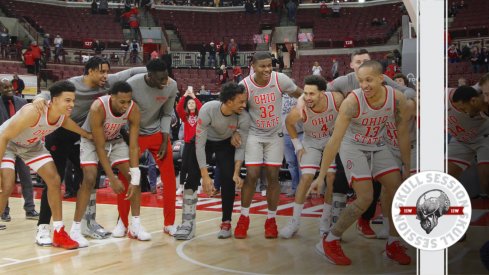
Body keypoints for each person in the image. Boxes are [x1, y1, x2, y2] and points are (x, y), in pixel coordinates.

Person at [34, 56, 146, 246]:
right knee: (54, 180)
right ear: (90, 71)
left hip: (83, 134)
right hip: (59, 133)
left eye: (107, 71)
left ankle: (87, 223)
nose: (105, 75)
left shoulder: (109, 84)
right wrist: (38, 98)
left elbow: (133, 71)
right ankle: (43, 227)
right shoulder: (73, 84)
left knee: (89, 178)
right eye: (101, 71)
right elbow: (48, 94)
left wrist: (160, 68)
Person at [314, 60, 411, 265]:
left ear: (381, 79)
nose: (364, 85)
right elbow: (335, 141)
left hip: (377, 144)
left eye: (369, 80)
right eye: (360, 81)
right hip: (352, 146)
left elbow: (403, 135)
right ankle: (330, 239)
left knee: (396, 188)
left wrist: (407, 166)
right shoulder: (352, 102)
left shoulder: (397, 98)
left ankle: (393, 243)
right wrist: (321, 175)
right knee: (365, 197)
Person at [0, 80, 92, 250]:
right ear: (54, 100)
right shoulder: (32, 112)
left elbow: (65, 123)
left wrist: (85, 133)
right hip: (7, 144)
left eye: (73, 100)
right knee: (6, 186)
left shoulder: (62, 115)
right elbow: (4, 136)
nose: (72, 104)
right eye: (67, 100)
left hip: (31, 146)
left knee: (55, 180)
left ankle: (58, 231)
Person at [234, 52, 303, 239]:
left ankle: (271, 219)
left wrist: (311, 102)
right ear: (253, 66)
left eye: (269, 65)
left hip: (275, 135)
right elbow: (235, 109)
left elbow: (300, 93)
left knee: (273, 177)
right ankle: (244, 218)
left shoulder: (280, 79)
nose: (267, 69)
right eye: (262, 66)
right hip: (254, 134)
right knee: (252, 175)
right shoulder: (245, 85)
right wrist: (234, 131)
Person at [72, 81, 149, 247]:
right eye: (122, 102)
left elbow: (134, 145)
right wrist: (112, 178)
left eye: (128, 101)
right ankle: (75, 229)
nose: (125, 105)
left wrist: (135, 173)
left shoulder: (133, 109)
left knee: (134, 178)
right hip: (92, 141)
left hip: (115, 141)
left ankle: (135, 225)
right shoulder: (98, 107)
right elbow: (99, 146)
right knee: (90, 178)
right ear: (111, 97)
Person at [177, 82, 249, 240]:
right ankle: (187, 223)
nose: (245, 105)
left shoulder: (243, 117)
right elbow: (200, 144)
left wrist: (237, 172)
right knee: (192, 176)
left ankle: (226, 222)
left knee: (228, 179)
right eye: (241, 101)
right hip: (205, 142)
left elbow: (240, 147)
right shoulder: (208, 109)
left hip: (225, 143)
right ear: (229, 101)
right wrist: (205, 176)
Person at [279, 75, 343, 239]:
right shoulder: (299, 110)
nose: (307, 97)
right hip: (311, 140)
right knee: (306, 178)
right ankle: (294, 222)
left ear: (322, 93)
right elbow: (288, 123)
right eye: (305, 93)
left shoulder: (336, 99)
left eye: (312, 94)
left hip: (331, 139)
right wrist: (297, 145)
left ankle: (325, 221)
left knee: (331, 177)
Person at [126, 58, 178, 236]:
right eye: (161, 79)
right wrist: (127, 138)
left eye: (167, 77)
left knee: (170, 179)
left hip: (157, 133)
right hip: (135, 133)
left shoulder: (171, 85)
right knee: (128, 177)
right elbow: (122, 112)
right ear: (149, 76)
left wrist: (165, 139)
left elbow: (167, 113)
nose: (165, 82)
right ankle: (124, 223)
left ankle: (169, 223)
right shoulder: (132, 85)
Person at [0, 79, 39, 224]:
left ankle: (30, 209)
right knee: (6, 182)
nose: (9, 89)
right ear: (0, 89)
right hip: (4, 147)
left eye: (10, 86)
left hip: (22, 146)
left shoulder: (22, 103)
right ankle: (4, 211)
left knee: (26, 178)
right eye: (5, 87)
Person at [447, 85, 489, 197]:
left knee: (486, 181)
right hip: (460, 140)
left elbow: (483, 82)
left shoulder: (480, 96)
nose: (463, 112)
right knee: (444, 178)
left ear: (473, 101)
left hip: (484, 137)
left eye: (464, 108)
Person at [175, 87, 203, 199]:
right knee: (184, 165)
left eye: (193, 103)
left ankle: (198, 185)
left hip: (197, 144)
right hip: (187, 143)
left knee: (196, 166)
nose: (191, 104)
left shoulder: (200, 116)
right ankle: (181, 186)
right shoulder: (185, 117)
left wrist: (194, 97)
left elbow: (201, 108)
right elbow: (178, 108)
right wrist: (185, 95)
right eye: (189, 103)